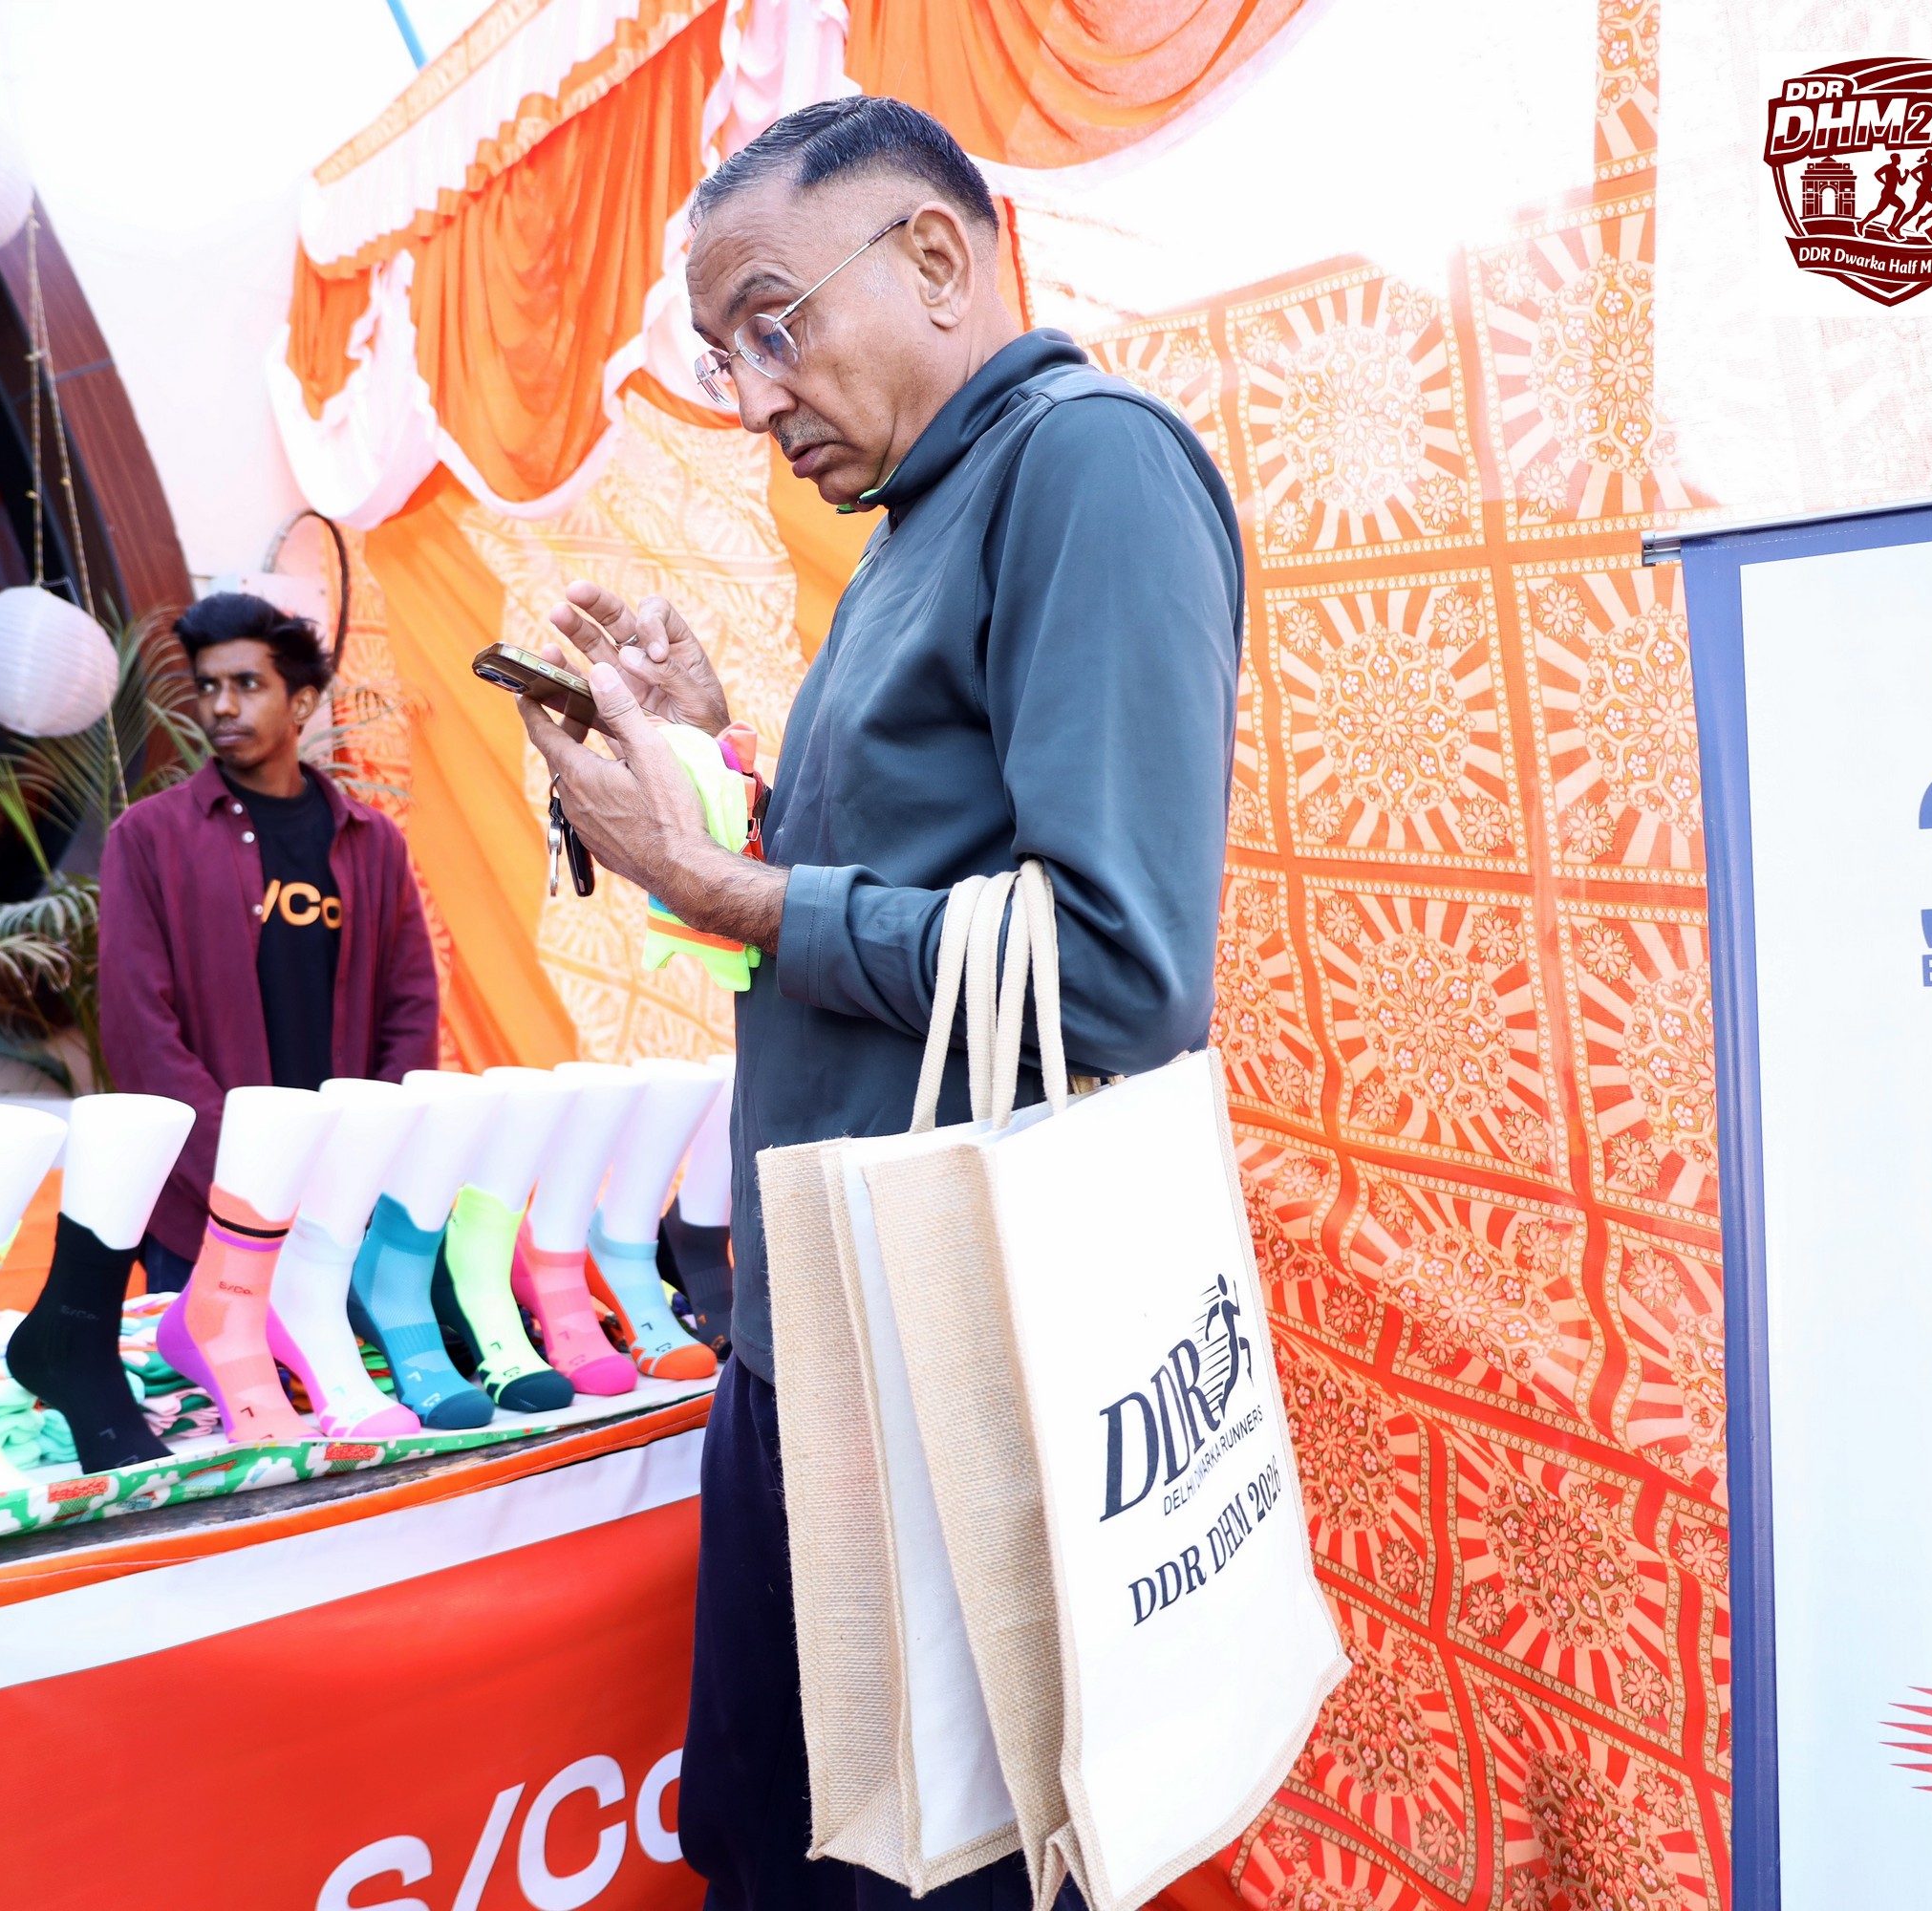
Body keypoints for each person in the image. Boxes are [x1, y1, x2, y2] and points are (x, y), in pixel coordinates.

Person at [519, 97, 1242, 1909]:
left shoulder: (1088, 467)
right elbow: (902, 880)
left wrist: (717, 887)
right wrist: (712, 760)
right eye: (723, 357)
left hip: (957, 1376)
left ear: (934, 256)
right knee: (778, 1854)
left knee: (929, 1879)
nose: (754, 396)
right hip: (820, 1341)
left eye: (774, 326)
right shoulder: (919, 517)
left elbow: (1118, 968)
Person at [99, 592, 440, 1288]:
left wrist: (361, 1162)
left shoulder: (372, 843)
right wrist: (244, 1168)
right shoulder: (148, 838)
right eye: (207, 687)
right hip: (206, 1209)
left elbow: (410, 1012)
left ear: (302, 702)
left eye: (247, 684)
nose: (222, 706)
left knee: (343, 1361)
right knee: (209, 1363)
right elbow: (139, 1029)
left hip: (339, 1209)